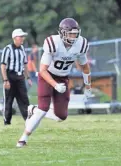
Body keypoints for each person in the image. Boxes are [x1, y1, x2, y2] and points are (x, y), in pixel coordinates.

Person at [16, 18, 92, 147]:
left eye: (75, 33)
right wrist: (55, 85)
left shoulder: (81, 44)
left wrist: (88, 86)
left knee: (61, 116)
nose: (73, 37)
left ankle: (32, 109)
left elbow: (85, 67)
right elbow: (43, 70)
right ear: (62, 33)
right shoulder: (53, 43)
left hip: (63, 78)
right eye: (70, 33)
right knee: (43, 109)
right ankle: (23, 139)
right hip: (47, 76)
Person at [1, 28, 32, 125]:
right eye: (20, 36)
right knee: (9, 100)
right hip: (10, 76)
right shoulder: (7, 49)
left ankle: (28, 120)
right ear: (14, 37)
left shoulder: (22, 48)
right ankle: (7, 121)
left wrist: (28, 77)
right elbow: (3, 65)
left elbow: (25, 64)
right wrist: (5, 80)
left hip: (20, 77)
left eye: (23, 36)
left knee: (24, 99)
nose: (22, 38)